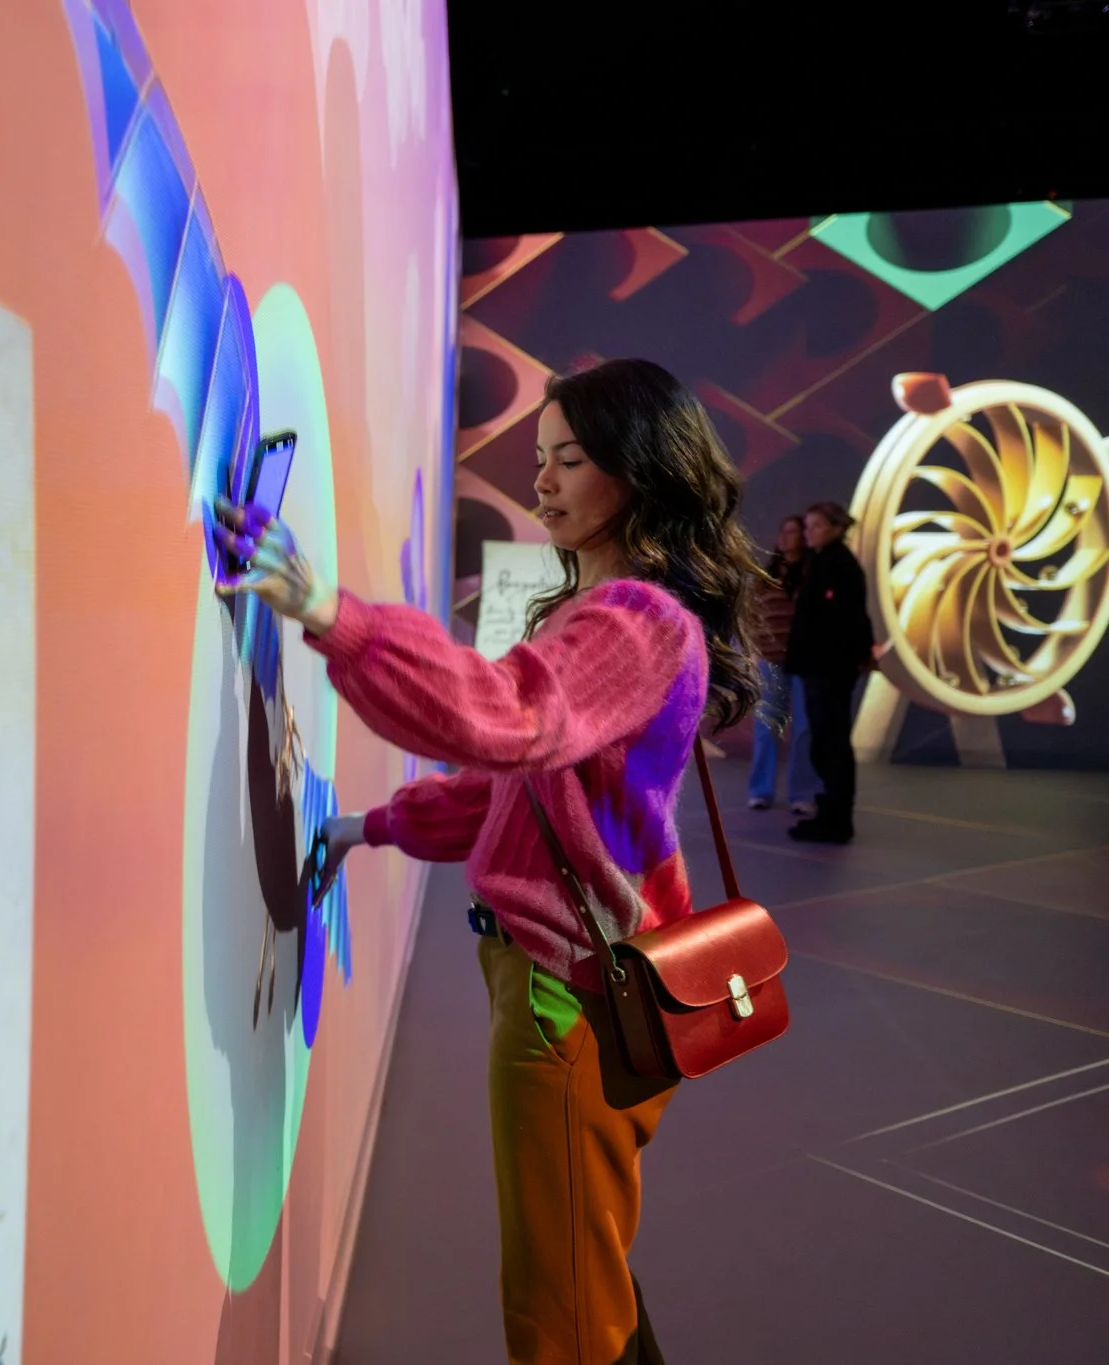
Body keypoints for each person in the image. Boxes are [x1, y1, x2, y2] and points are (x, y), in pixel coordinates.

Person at [217, 358, 760, 1365]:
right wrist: (369, 828)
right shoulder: (609, 614)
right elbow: (516, 794)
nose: (541, 480)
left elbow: (506, 719)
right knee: (582, 1270)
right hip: (571, 988)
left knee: (561, 1315)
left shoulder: (636, 623)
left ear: (639, 470)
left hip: (570, 1003)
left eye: (571, 458)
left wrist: (329, 611)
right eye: (539, 455)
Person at [781, 501, 875, 843]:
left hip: (828, 669)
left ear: (837, 527)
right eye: (807, 526)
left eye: (817, 525)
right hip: (822, 667)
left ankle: (836, 819)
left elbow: (845, 620)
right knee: (825, 741)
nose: (809, 533)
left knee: (831, 742)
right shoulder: (823, 562)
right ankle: (830, 814)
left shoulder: (838, 565)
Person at [747, 515, 819, 814]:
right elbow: (751, 615)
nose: (788, 537)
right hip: (770, 661)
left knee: (804, 730)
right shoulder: (765, 577)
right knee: (766, 728)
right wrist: (755, 652)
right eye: (785, 531)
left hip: (804, 662)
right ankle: (760, 790)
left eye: (795, 532)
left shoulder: (812, 573)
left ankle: (802, 794)